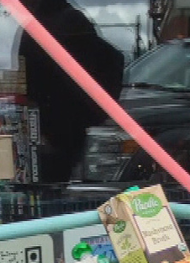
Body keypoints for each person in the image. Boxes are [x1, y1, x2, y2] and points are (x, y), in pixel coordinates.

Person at [15, 0, 124, 182]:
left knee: (50, 181)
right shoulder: (60, 21)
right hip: (65, 125)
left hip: (54, 125)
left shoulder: (45, 26)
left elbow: (33, 77)